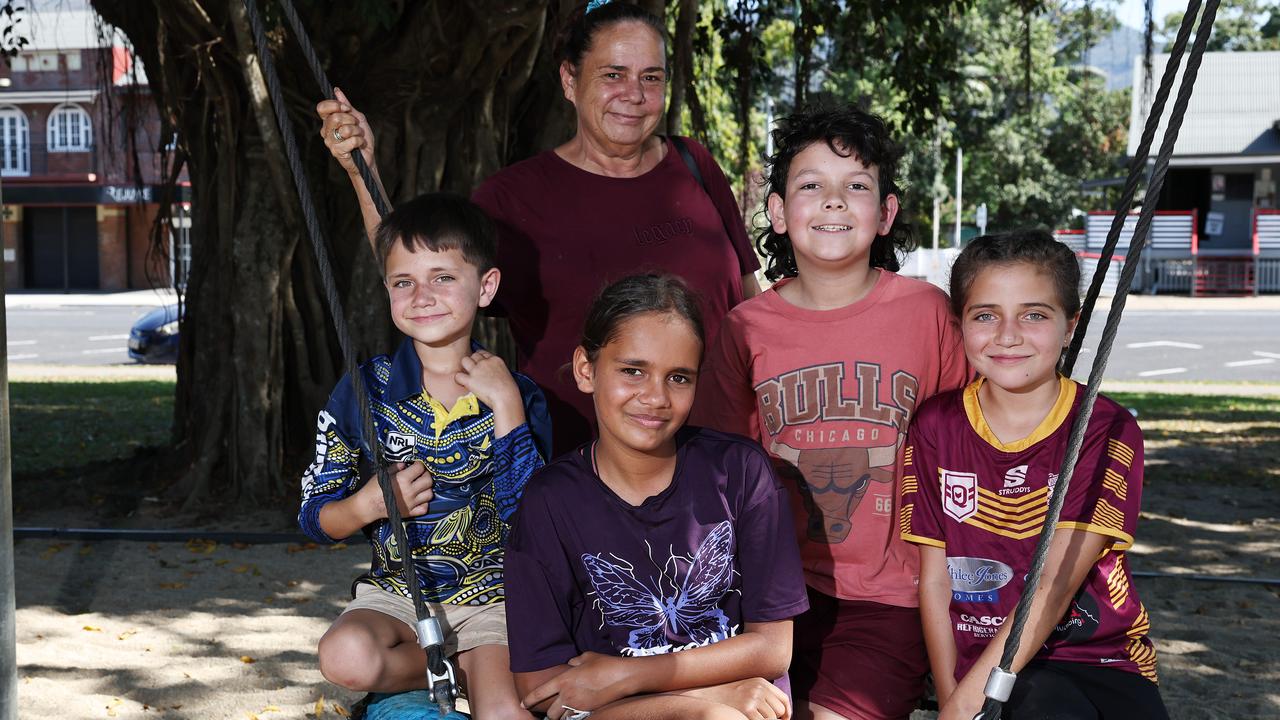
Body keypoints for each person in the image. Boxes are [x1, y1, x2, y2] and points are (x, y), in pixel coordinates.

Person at [317, 1, 761, 456]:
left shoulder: (693, 164)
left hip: (725, 455)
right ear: (570, 79)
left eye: (652, 77)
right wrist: (361, 172)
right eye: (613, 75)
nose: (634, 94)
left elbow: (751, 306)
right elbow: (413, 270)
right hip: (582, 472)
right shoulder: (513, 198)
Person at [690, 106, 970, 720]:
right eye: (811, 185)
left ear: (887, 212)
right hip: (764, 592)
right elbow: (717, 472)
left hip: (891, 594)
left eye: (857, 186)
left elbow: (967, 451)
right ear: (778, 211)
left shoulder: (928, 314)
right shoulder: (744, 329)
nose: (834, 202)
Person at [502, 274, 810, 720]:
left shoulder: (740, 472)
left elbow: (773, 649)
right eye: (632, 371)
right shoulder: (550, 501)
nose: (655, 397)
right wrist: (703, 700)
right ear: (587, 370)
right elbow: (542, 690)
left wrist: (627, 675)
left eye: (679, 377)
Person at [297, 193, 552, 719]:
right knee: (343, 656)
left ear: (486, 288)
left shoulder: (519, 394)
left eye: (443, 277)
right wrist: (368, 505)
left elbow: (537, 526)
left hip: (497, 603)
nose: (422, 295)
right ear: (386, 289)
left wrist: (505, 407)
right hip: (397, 598)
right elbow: (314, 516)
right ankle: (449, 668)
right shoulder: (364, 390)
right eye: (403, 282)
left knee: (505, 714)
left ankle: (476, 669)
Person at [900, 231, 1167, 720]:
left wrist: (963, 703)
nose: (1007, 334)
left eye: (1034, 315)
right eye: (985, 315)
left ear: (1070, 325)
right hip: (978, 663)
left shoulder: (1105, 427)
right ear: (959, 325)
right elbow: (934, 580)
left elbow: (1053, 585)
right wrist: (951, 695)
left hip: (1099, 659)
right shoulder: (936, 426)